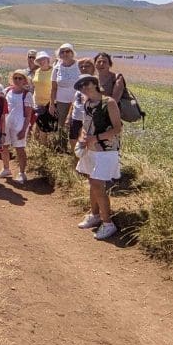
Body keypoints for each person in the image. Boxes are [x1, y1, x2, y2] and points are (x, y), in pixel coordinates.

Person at [74, 74, 122, 240]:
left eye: (86, 84)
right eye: (80, 86)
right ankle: (94, 215)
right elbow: (85, 126)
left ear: (95, 84)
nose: (84, 88)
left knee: (96, 184)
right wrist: (83, 139)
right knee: (93, 183)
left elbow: (117, 129)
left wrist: (96, 138)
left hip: (106, 151)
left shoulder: (108, 102)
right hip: (90, 150)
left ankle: (108, 223)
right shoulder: (87, 103)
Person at [3, 70, 33, 183]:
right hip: (6, 123)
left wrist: (24, 129)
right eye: (15, 78)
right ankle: (6, 169)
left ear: (25, 80)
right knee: (4, 146)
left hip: (19, 125)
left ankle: (22, 173)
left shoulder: (27, 94)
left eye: (20, 78)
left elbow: (28, 115)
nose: (17, 80)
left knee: (19, 149)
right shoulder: (7, 91)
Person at [49, 44, 80, 146]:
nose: (65, 54)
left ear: (72, 53)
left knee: (75, 124)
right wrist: (52, 104)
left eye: (68, 51)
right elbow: (53, 88)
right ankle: (62, 147)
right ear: (59, 54)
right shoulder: (57, 67)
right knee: (61, 125)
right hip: (61, 101)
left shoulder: (79, 66)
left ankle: (76, 148)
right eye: (62, 52)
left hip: (77, 101)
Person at [68, 58, 96, 151]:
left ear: (93, 68)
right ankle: (76, 164)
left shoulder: (96, 82)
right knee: (73, 142)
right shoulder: (79, 82)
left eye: (87, 66)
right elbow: (74, 101)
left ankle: (86, 164)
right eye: (81, 66)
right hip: (76, 118)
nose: (83, 68)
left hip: (89, 120)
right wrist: (69, 116)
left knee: (87, 145)